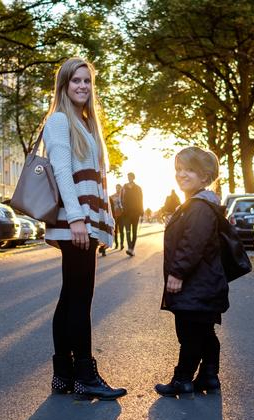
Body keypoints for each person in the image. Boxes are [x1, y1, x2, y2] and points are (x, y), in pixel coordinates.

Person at [43, 57, 126, 401]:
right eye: (75, 80)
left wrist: (100, 218)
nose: (82, 86)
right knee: (80, 298)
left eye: (87, 81)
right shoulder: (60, 120)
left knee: (70, 296)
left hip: (82, 221)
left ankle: (63, 374)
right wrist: (77, 218)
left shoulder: (84, 122)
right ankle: (85, 376)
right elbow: (62, 172)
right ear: (63, 86)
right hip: (74, 223)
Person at [155, 146, 228, 397]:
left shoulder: (199, 207)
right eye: (178, 169)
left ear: (204, 177)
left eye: (189, 170)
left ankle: (182, 379)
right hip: (204, 284)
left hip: (198, 283)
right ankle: (209, 375)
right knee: (203, 330)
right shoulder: (196, 205)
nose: (181, 174)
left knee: (189, 332)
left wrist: (177, 273)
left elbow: (192, 244)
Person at [121, 172, 143, 256]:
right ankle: (129, 248)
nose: (129, 178)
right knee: (127, 231)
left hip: (136, 213)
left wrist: (141, 211)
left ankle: (132, 249)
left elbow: (141, 199)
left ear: (133, 177)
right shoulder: (124, 187)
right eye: (128, 176)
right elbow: (121, 198)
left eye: (130, 176)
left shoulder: (138, 188)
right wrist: (122, 208)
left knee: (134, 231)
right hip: (126, 213)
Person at [110, 184, 124, 249]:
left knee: (121, 230)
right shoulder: (112, 196)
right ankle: (116, 244)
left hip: (121, 216)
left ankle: (121, 244)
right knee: (115, 230)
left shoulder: (123, 197)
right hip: (115, 216)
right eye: (116, 188)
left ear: (121, 188)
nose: (117, 189)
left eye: (119, 188)